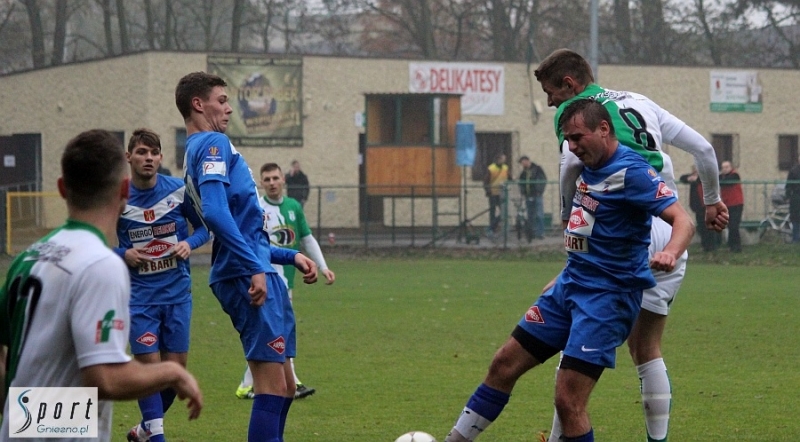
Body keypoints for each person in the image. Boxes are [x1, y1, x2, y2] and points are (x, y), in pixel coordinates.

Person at [443, 99, 695, 442]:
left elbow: (683, 220)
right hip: (569, 286)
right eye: (568, 140)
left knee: (569, 401)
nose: (572, 147)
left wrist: (670, 252)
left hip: (607, 300)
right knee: (503, 365)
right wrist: (567, 271)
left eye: (577, 138)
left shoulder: (632, 171)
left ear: (603, 129)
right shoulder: (584, 164)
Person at [534, 48, 728, 442]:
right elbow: (705, 150)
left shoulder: (574, 113)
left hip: (620, 224)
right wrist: (712, 202)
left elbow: (570, 166)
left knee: (573, 340)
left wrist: (568, 220)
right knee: (647, 347)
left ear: (569, 84)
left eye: (551, 92)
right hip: (668, 223)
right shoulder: (641, 101)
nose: (551, 101)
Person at [0, 129, 203, 441]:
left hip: (23, 425)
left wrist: (22, 416)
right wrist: (172, 372)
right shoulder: (100, 265)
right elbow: (104, 379)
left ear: (62, 188)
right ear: (124, 190)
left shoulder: (29, 256)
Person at [176, 71, 317, 442]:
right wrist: (255, 266)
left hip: (254, 265)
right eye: (222, 101)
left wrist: (288, 256)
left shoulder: (199, 149)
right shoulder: (211, 143)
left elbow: (241, 227)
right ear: (198, 104)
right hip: (245, 272)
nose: (228, 109)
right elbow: (216, 213)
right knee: (270, 387)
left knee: (286, 386)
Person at [115, 129, 211, 442]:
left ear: (161, 157)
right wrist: (123, 253)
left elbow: (205, 228)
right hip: (140, 299)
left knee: (174, 374)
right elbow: (97, 241)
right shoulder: (117, 196)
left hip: (177, 295)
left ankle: (145, 429)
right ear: (129, 157)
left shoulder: (179, 190)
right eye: (141, 152)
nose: (148, 158)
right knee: (149, 372)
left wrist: (188, 244)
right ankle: (156, 435)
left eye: (154, 153)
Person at [235, 162, 337, 401]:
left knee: (275, 332)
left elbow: (307, 239)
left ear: (283, 180)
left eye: (275, 178)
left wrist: (323, 266)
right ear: (261, 183)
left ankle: (248, 384)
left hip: (286, 280)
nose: (272, 183)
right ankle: (291, 380)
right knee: (275, 332)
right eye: (267, 179)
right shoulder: (257, 207)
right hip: (265, 279)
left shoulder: (293, 207)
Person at [680, 165, 718, 252]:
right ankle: (705, 246)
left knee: (709, 226)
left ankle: (711, 246)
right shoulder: (693, 177)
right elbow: (683, 178)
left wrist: (696, 179)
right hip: (698, 206)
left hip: (707, 204)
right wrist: (689, 178)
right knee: (701, 226)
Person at [518, 156, 547, 241]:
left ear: (527, 161)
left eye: (523, 162)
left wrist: (539, 191)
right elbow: (521, 183)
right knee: (530, 215)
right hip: (528, 195)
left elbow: (543, 180)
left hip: (537, 195)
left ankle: (540, 233)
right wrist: (523, 192)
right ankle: (532, 233)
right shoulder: (524, 172)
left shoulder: (537, 169)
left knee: (539, 214)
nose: (522, 165)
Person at [719, 161, 744, 252]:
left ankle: (736, 246)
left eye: (727, 167)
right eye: (723, 167)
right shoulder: (722, 176)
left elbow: (726, 182)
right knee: (730, 225)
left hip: (736, 203)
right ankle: (731, 245)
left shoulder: (735, 175)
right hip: (727, 204)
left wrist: (720, 180)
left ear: (731, 167)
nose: (725, 169)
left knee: (734, 225)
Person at [483, 153, 508, 234]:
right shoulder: (491, 168)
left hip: (502, 193)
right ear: (499, 159)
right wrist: (488, 190)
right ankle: (492, 228)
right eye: (503, 159)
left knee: (504, 211)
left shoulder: (505, 168)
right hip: (493, 192)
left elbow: (509, 177)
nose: (505, 160)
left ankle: (493, 225)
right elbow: (486, 180)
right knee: (492, 211)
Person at [786, 155, 800, 243]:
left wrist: (788, 196)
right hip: (796, 197)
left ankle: (796, 238)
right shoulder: (793, 170)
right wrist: (788, 196)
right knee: (796, 218)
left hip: (795, 196)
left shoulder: (793, 170)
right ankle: (796, 238)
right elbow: (788, 185)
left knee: (795, 218)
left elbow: (788, 186)